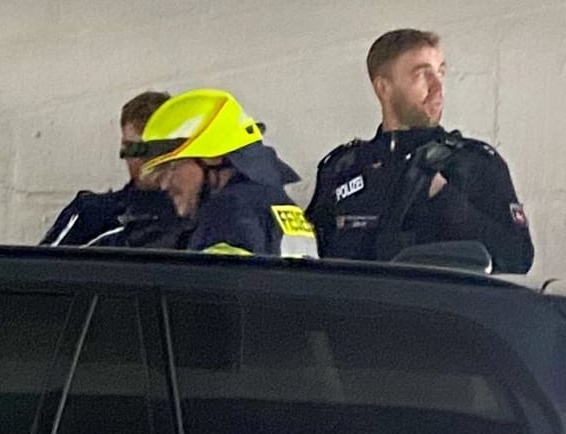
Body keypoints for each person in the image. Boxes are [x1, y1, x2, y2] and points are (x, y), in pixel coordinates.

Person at [306, 29, 534, 273]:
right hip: (358, 310)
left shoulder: (475, 163)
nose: (437, 87)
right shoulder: (343, 168)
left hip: (437, 309)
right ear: (383, 88)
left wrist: (445, 198)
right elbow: (307, 259)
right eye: (422, 75)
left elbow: (518, 259)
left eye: (440, 73)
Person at [129, 88, 317, 257]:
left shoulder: (228, 211)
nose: (164, 184)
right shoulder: (280, 206)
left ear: (213, 158)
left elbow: (219, 292)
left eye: (172, 168)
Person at [40, 90, 183, 248]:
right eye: (136, 149)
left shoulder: (197, 217)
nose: (147, 161)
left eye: (158, 149)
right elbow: (38, 267)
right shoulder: (93, 214)